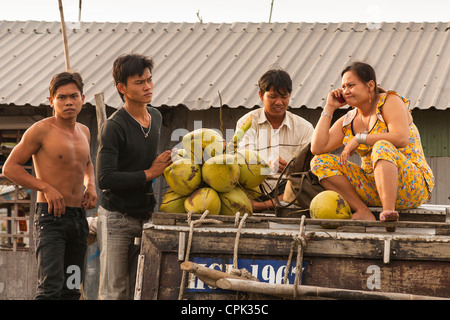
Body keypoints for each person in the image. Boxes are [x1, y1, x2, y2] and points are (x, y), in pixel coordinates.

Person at [2, 72, 97, 299]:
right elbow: (10, 168)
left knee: (72, 288)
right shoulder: (41, 130)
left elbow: (87, 162)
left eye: (73, 96)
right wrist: (46, 187)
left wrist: (91, 184)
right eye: (62, 97)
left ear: (82, 98)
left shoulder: (84, 131)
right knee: (50, 289)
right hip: (51, 219)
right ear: (51, 101)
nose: (68, 102)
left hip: (78, 220)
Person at [310, 61, 434, 225]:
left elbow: (401, 138)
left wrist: (360, 138)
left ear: (370, 85)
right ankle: (362, 211)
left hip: (411, 186)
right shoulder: (349, 120)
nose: (346, 91)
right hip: (373, 189)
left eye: (351, 85)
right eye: (344, 87)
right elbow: (317, 148)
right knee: (319, 162)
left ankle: (388, 213)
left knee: (381, 146)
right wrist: (329, 108)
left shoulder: (389, 101)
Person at [96, 53, 172, 300]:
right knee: (115, 292)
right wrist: (150, 173)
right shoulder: (114, 126)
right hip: (117, 218)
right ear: (122, 88)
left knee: (142, 288)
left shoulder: (156, 117)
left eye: (149, 79)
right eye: (139, 82)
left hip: (146, 216)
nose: (148, 86)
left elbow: (141, 159)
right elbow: (105, 179)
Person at [236, 68, 314, 212]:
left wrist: (291, 169)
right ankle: (264, 204)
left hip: (288, 190)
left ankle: (261, 207)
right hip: (255, 188)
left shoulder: (304, 127)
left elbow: (309, 169)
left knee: (309, 182)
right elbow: (244, 160)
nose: (279, 102)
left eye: (284, 97)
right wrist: (266, 167)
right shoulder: (247, 122)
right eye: (273, 96)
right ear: (261, 95)